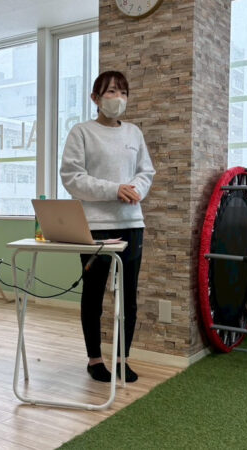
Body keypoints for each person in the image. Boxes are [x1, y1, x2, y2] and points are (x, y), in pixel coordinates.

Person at [60, 71, 155, 384]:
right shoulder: (82, 132)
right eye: (112, 91)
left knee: (128, 297)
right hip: (96, 226)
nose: (119, 98)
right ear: (95, 98)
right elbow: (73, 177)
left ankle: (122, 359)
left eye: (123, 92)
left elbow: (146, 172)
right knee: (94, 294)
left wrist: (135, 189)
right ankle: (95, 359)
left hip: (132, 223)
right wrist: (115, 189)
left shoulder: (134, 133)